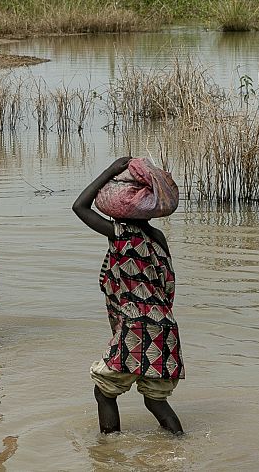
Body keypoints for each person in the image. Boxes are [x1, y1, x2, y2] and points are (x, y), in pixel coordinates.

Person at [72, 157, 185, 435]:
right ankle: (180, 445)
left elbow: (79, 206)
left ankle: (109, 453)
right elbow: (168, 285)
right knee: (155, 401)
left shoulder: (121, 235)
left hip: (137, 326)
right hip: (165, 327)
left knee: (104, 392)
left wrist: (110, 171)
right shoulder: (158, 236)